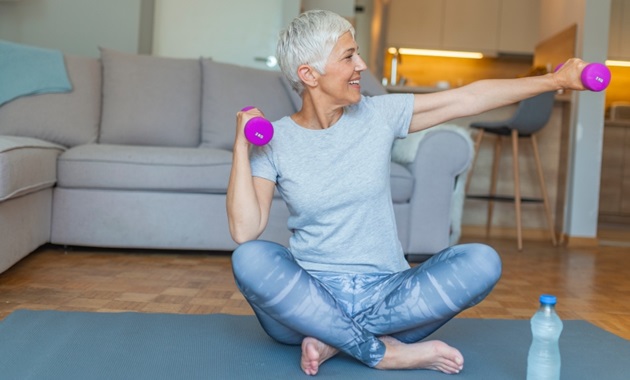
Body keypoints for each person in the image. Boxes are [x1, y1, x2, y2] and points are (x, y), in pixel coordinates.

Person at [227, 10, 588, 376]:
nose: (362, 65)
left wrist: (554, 79)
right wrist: (241, 147)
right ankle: (381, 351)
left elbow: (469, 98)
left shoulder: (378, 114)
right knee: (249, 259)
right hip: (308, 300)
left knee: (482, 261)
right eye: (349, 56)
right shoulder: (276, 140)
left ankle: (334, 339)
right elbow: (245, 231)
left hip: (388, 294)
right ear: (309, 75)